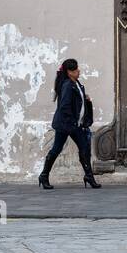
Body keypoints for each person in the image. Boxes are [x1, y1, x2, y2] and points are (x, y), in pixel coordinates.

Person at [38, 58, 99, 190]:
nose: (78, 71)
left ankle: (89, 176)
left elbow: (76, 100)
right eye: (75, 69)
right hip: (66, 125)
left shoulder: (75, 83)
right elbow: (65, 106)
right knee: (57, 149)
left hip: (73, 125)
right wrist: (73, 123)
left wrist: (85, 98)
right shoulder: (67, 85)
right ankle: (44, 175)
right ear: (69, 72)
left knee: (84, 148)